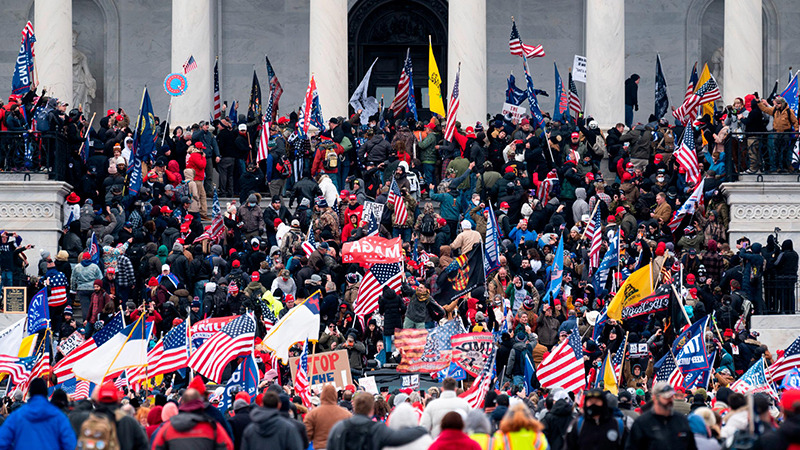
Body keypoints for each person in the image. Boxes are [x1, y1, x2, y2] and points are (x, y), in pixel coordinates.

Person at [327, 392, 428, 450]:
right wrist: (422, 429)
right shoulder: (377, 428)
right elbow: (399, 437)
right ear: (372, 408)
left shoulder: (338, 427)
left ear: (354, 407)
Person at [0, 378, 76, 450]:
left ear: (30, 393)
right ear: (46, 393)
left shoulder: (17, 416)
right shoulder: (58, 416)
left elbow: (2, 442)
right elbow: (70, 444)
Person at [152, 388, 234, 450]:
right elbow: (227, 446)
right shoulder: (212, 426)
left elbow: (156, 446)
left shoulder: (167, 427)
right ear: (200, 403)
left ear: (182, 403)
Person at [626, 382, 697, 450]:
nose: (670, 400)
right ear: (655, 398)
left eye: (671, 396)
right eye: (666, 397)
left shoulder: (681, 421)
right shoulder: (642, 423)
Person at [304, 384, 351, 450]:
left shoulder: (313, 414)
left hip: (320, 446)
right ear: (335, 396)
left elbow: (306, 435)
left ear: (322, 396)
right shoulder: (346, 413)